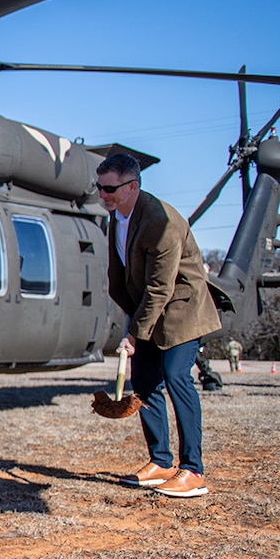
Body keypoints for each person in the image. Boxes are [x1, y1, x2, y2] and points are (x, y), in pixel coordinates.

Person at [98, 152, 221, 498]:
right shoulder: (117, 216)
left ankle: (193, 471)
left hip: (180, 310)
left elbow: (160, 288)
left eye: (109, 188)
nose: (102, 194)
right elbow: (119, 278)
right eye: (99, 186)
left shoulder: (159, 222)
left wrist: (136, 332)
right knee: (145, 381)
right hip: (147, 310)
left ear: (132, 186)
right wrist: (131, 323)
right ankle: (161, 461)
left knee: (177, 377)